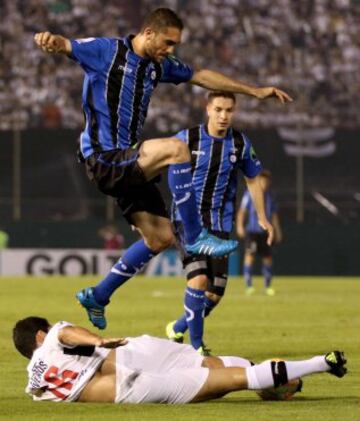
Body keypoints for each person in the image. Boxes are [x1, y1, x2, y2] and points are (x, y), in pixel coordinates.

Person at [34, 8, 292, 330]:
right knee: (177, 148)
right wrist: (51, 40)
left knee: (161, 237)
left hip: (128, 161)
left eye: (175, 45)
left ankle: (98, 296)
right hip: (104, 156)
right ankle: (197, 237)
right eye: (168, 43)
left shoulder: (158, 68)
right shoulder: (107, 52)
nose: (171, 51)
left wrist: (253, 91)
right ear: (149, 33)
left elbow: (200, 75)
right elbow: (67, 45)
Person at [13, 316, 347, 404]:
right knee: (214, 366)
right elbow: (67, 332)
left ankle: (320, 362)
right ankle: (275, 377)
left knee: (225, 383)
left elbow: (65, 341)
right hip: (133, 351)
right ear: (39, 336)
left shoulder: (35, 385)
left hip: (130, 387)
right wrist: (97, 340)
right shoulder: (52, 338)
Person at [165, 91, 274, 354]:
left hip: (219, 225)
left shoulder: (240, 143)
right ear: (207, 109)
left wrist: (261, 216)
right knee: (199, 280)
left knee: (214, 294)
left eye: (229, 110)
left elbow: (253, 179)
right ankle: (196, 347)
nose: (224, 116)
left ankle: (177, 327)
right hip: (187, 221)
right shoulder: (186, 139)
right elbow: (155, 165)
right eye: (218, 109)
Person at [237, 170, 283, 296]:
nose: (265, 182)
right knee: (250, 256)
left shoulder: (271, 196)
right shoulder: (250, 194)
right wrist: (240, 226)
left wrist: (277, 230)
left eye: (267, 180)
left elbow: (274, 215)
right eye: (263, 180)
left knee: (268, 258)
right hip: (252, 232)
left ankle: (268, 286)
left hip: (265, 232)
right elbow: (242, 211)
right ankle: (249, 286)